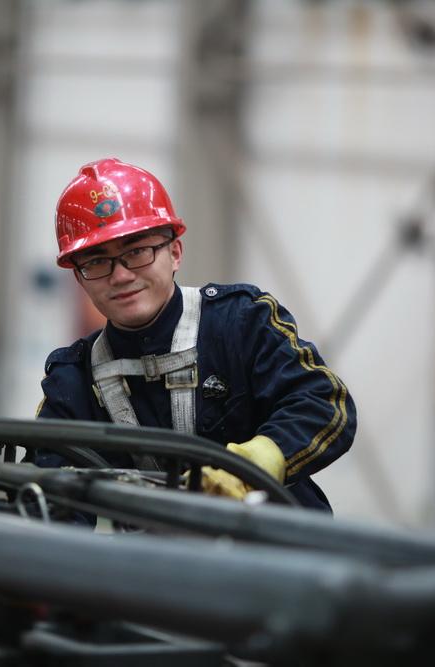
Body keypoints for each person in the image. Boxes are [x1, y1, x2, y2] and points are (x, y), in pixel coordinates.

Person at [33, 158, 356, 512]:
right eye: (96, 261)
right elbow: (47, 499)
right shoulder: (72, 382)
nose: (121, 275)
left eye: (137, 251)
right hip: (159, 566)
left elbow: (324, 403)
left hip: (278, 555)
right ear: (79, 278)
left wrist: (253, 465)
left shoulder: (243, 322)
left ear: (175, 252)